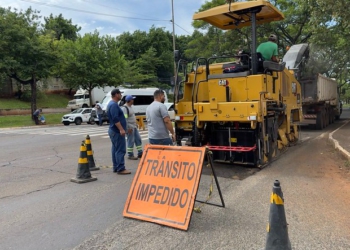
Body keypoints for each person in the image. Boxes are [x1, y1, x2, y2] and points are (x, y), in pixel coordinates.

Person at [106, 89, 131, 175]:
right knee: (120, 150)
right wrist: (121, 129)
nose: (121, 95)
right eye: (120, 94)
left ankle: (116, 167)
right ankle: (121, 168)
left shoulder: (111, 104)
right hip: (116, 131)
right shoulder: (113, 105)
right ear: (116, 94)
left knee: (115, 149)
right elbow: (115, 118)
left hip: (113, 130)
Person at [122, 95, 143, 160]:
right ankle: (130, 154)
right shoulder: (125, 108)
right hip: (130, 127)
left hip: (134, 126)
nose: (133, 100)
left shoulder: (130, 107)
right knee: (130, 140)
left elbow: (132, 117)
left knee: (138, 139)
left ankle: (140, 153)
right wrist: (127, 128)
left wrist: (135, 123)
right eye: (132, 99)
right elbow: (125, 119)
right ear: (129, 100)